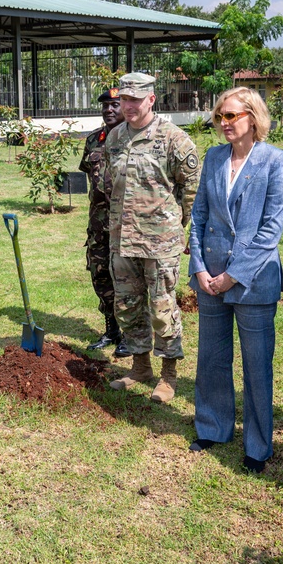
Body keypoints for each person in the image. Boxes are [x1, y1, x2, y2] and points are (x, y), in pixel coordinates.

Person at [187, 87, 283, 473]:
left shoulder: (276, 161)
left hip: (252, 280)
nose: (224, 123)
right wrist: (199, 268)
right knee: (211, 358)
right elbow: (198, 216)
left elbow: (270, 230)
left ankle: (258, 445)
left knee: (256, 365)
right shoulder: (213, 157)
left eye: (231, 116)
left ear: (253, 117)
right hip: (209, 275)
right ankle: (213, 427)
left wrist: (232, 276)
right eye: (220, 117)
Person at [105, 72, 200, 403]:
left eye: (135, 99)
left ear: (151, 99)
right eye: (124, 100)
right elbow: (110, 186)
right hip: (122, 238)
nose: (128, 106)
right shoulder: (115, 137)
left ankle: (169, 375)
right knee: (128, 307)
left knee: (162, 308)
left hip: (160, 241)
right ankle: (140, 367)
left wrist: (182, 227)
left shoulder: (174, 139)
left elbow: (192, 189)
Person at [79, 87, 129, 353]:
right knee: (100, 275)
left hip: (128, 225)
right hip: (99, 224)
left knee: (128, 279)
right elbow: (92, 178)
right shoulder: (93, 141)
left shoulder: (135, 139)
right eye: (105, 106)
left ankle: (131, 336)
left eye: (115, 105)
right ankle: (111, 330)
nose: (109, 110)